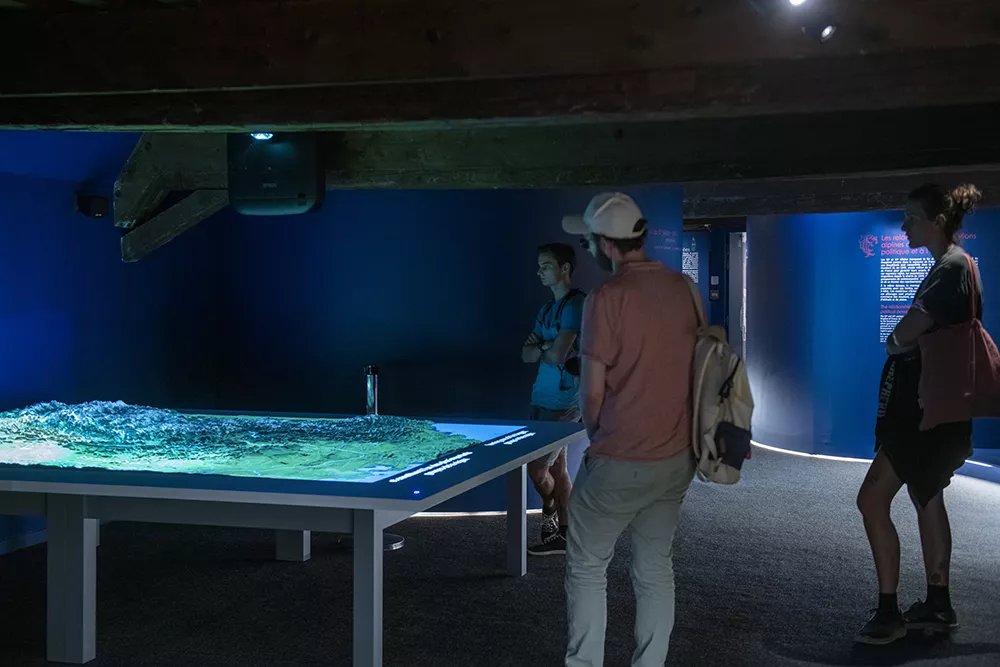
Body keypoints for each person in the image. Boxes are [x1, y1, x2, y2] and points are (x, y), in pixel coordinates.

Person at [560, 192, 699, 667]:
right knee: (655, 569)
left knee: (586, 567)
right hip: (676, 456)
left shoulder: (605, 298)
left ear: (605, 243)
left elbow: (592, 391)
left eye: (587, 242)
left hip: (620, 457)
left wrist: (597, 435)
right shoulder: (684, 287)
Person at [856, 183, 984, 645]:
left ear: (936, 220)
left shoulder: (949, 267)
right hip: (939, 411)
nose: (905, 224)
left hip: (922, 415)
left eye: (911, 216)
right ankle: (938, 604)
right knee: (927, 497)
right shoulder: (955, 265)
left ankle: (889, 612)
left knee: (871, 501)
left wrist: (894, 341)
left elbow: (906, 332)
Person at [522, 242, 586, 556]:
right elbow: (525, 354)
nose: (539, 271)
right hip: (541, 396)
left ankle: (548, 508)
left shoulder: (576, 305)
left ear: (565, 269)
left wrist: (543, 348)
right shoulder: (547, 309)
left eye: (546, 265)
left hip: (563, 402)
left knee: (535, 470)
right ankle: (567, 535)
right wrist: (546, 348)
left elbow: (558, 353)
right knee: (558, 470)